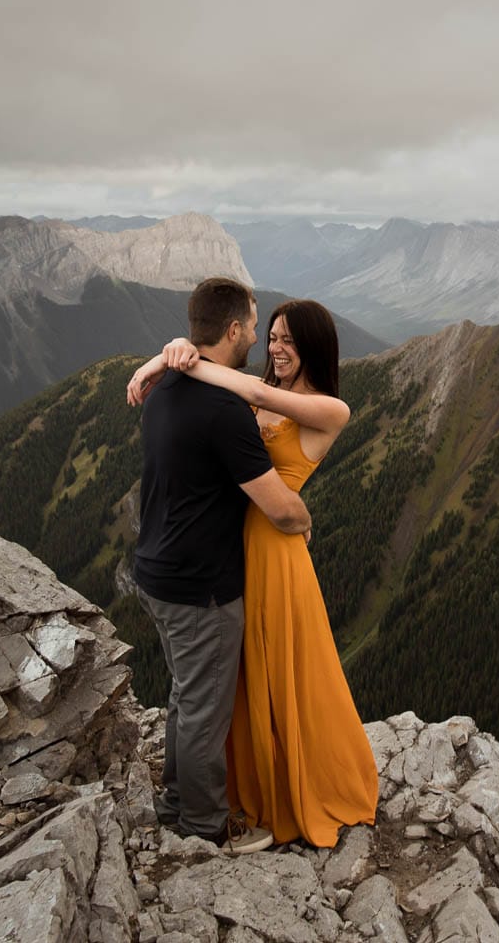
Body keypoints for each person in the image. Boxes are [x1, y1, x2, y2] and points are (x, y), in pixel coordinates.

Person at [127, 298, 378, 847]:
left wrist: (174, 359)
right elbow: (243, 384)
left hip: (276, 550)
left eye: (289, 339)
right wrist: (167, 355)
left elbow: (260, 396)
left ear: (315, 346)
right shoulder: (248, 389)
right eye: (273, 336)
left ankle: (285, 788)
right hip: (236, 547)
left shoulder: (331, 408)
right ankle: (241, 788)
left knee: (279, 673)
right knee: (234, 682)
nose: (277, 348)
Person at [131, 277, 312, 856]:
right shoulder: (222, 410)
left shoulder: (164, 388)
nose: (259, 338)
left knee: (187, 696)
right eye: (254, 326)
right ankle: (207, 828)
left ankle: (174, 804)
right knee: (205, 708)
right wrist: (305, 520)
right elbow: (279, 509)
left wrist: (162, 355)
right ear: (232, 330)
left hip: (156, 573)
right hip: (200, 585)